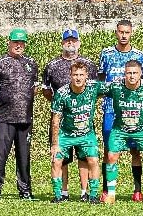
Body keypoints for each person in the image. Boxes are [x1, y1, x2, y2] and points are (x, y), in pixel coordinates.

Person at [41, 29, 98, 202]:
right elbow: (45, 90)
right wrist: (65, 104)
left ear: (79, 43)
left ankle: (85, 192)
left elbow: (98, 90)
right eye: (67, 40)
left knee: (86, 158)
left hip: (84, 125)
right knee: (60, 159)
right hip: (64, 122)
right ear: (62, 43)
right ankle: (62, 193)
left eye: (74, 40)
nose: (70, 43)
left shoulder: (89, 64)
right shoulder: (52, 65)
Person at [0, 28, 39, 200]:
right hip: (4, 118)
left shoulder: (31, 63)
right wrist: (4, 103)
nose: (18, 45)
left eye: (21, 42)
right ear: (9, 42)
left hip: (25, 118)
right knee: (0, 155)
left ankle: (25, 191)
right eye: (15, 42)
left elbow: (35, 89)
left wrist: (23, 102)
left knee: (24, 157)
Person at [98, 20, 143, 202]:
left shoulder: (140, 56)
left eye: (127, 32)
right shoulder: (106, 54)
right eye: (121, 32)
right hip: (112, 110)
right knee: (109, 150)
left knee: (136, 151)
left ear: (131, 33)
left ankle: (137, 190)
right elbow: (101, 81)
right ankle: (107, 190)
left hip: (134, 112)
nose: (124, 35)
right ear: (116, 33)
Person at [102, 60, 143, 204]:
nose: (132, 76)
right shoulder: (116, 86)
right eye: (129, 73)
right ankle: (111, 194)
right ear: (124, 73)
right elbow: (94, 91)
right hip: (120, 129)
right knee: (111, 156)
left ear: (141, 74)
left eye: (135, 73)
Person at [49, 61, 105, 204]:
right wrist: (55, 144)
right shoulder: (62, 93)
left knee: (93, 160)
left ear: (87, 76)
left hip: (86, 134)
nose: (78, 78)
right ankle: (58, 195)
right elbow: (55, 119)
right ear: (70, 76)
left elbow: (115, 88)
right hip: (66, 134)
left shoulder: (94, 87)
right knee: (56, 160)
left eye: (81, 75)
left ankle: (93, 195)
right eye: (75, 75)